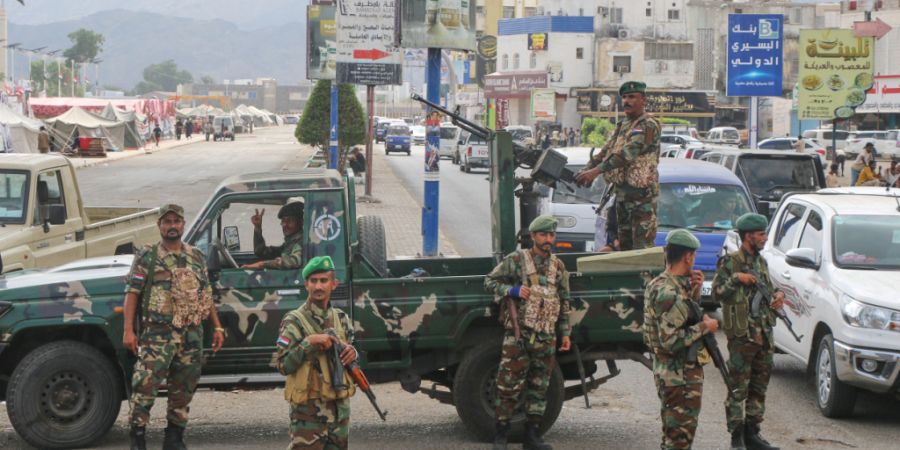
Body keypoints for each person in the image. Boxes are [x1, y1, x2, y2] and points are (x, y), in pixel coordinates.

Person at [122, 203, 225, 450]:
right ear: (159, 226)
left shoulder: (195, 256)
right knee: (144, 387)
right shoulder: (148, 256)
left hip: (190, 335)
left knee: (183, 388)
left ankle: (174, 438)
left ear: (183, 224)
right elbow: (132, 292)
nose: (172, 226)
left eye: (176, 221)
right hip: (157, 335)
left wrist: (218, 327)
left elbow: (205, 294)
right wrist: (128, 330)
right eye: (166, 222)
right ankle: (138, 438)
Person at [484, 215, 572, 450]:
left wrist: (565, 333)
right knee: (508, 385)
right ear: (533, 236)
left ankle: (532, 436)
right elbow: (490, 281)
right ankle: (501, 435)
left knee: (539, 387)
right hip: (519, 336)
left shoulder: (558, 267)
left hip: (546, 336)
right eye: (543, 235)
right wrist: (511, 289)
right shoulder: (517, 260)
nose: (548, 240)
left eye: (551, 235)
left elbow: (564, 302)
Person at [712, 213, 785, 450]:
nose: (765, 238)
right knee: (737, 388)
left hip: (763, 334)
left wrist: (778, 297)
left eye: (764, 233)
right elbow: (716, 293)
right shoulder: (730, 262)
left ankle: (753, 433)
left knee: (759, 387)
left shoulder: (761, 262)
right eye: (761, 234)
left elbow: (770, 290)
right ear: (748, 236)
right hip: (743, 337)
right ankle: (737, 437)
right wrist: (737, 279)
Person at [643, 229, 719, 450]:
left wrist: (694, 291)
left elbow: (682, 316)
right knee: (679, 439)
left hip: (672, 373)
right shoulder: (670, 293)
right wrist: (705, 326)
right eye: (693, 256)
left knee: (673, 435)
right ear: (688, 257)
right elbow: (671, 340)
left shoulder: (660, 283)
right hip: (679, 377)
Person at [276, 256, 357, 449]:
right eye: (313, 281)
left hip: (339, 411)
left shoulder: (342, 319)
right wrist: (308, 342)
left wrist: (353, 352)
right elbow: (283, 365)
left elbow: (351, 354)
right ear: (306, 285)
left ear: (334, 284)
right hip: (308, 414)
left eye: (323, 280)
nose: (318, 286)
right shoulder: (294, 321)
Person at [574, 81, 661, 250]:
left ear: (643, 100)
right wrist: (585, 170)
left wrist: (595, 172)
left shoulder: (649, 125)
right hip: (622, 198)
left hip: (641, 200)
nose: (627, 101)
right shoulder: (623, 125)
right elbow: (606, 151)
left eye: (632, 97)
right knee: (625, 249)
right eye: (624, 97)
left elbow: (627, 154)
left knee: (643, 251)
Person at [242, 197, 305, 270]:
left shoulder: (301, 242)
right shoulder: (290, 243)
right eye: (283, 221)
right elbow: (261, 252)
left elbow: (293, 261)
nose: (285, 225)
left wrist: (261, 264)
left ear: (301, 222)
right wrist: (257, 228)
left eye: (290, 221)